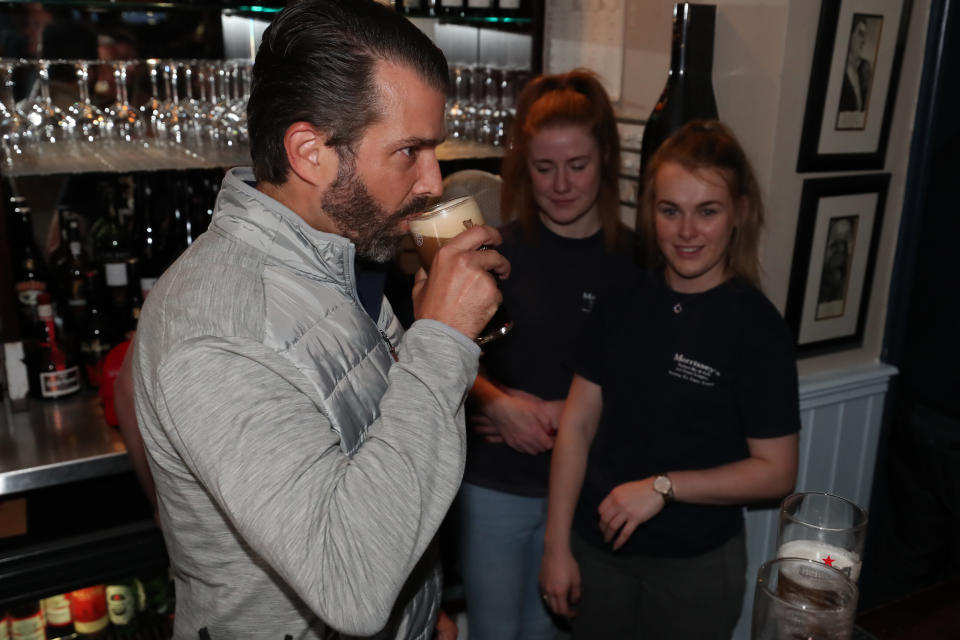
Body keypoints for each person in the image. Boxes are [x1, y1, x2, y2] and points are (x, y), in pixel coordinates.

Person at [125, 1, 508, 638]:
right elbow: (352, 584)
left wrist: (418, 607)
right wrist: (440, 341)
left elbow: (372, 461)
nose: (432, 182)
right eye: (409, 151)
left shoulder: (338, 254)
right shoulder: (220, 327)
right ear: (309, 152)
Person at [539, 119, 800, 639]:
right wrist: (556, 545)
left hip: (695, 567)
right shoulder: (621, 297)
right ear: (649, 211)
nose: (686, 232)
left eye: (707, 211)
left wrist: (664, 487)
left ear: (739, 214)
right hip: (598, 551)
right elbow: (577, 426)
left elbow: (776, 473)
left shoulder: (757, 327)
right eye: (669, 210)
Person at [459, 69, 635, 640]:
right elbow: (442, 353)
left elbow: (658, 378)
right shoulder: (495, 251)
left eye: (577, 165)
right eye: (543, 167)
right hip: (496, 487)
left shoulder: (639, 261)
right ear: (522, 167)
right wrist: (495, 401)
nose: (560, 184)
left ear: (605, 158)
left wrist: (573, 412)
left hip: (593, 491)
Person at [839, 16, 873, 114]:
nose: (863, 41)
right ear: (849, 36)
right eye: (860, 34)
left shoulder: (863, 70)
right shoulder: (839, 72)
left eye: (864, 36)